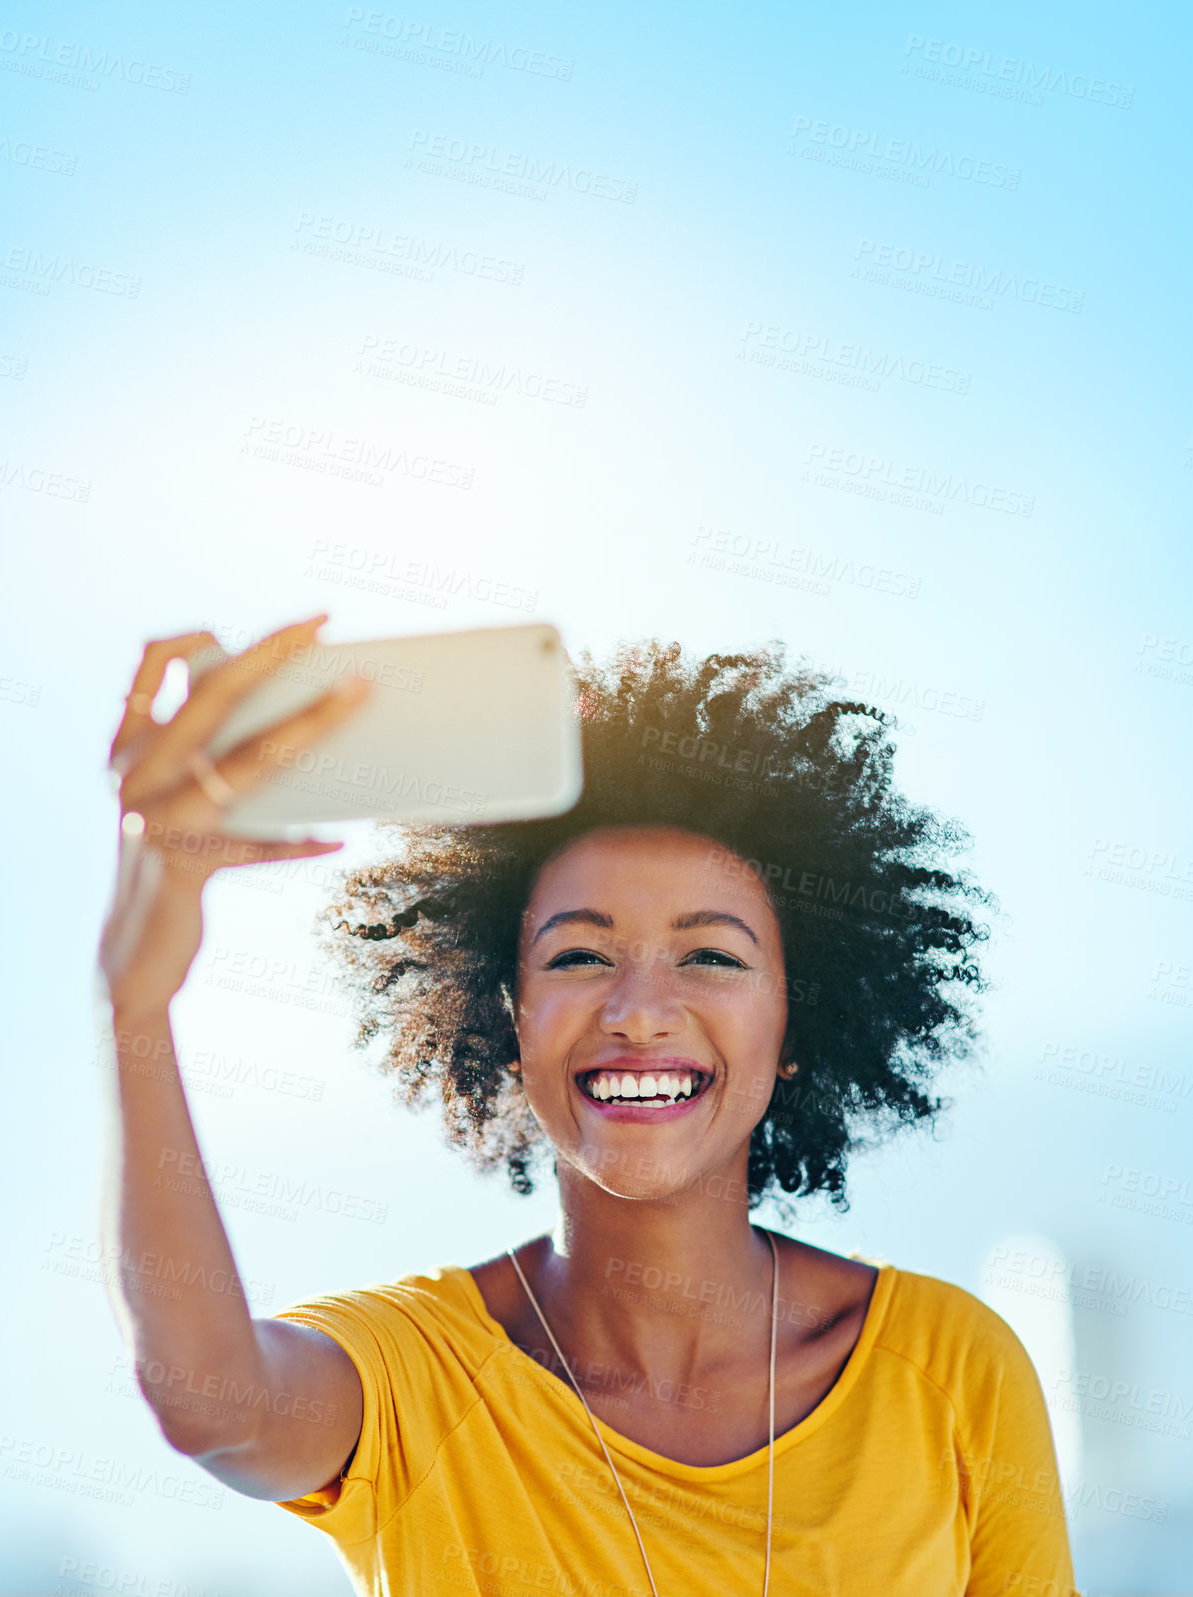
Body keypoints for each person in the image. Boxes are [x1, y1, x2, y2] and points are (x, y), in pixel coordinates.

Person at [97, 613, 1081, 1596]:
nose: (640, 1013)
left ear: (795, 1026)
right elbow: (213, 1404)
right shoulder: (421, 1375)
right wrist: (137, 1001)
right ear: (507, 1017)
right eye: (579, 955)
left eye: (710, 955)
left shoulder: (953, 1368)